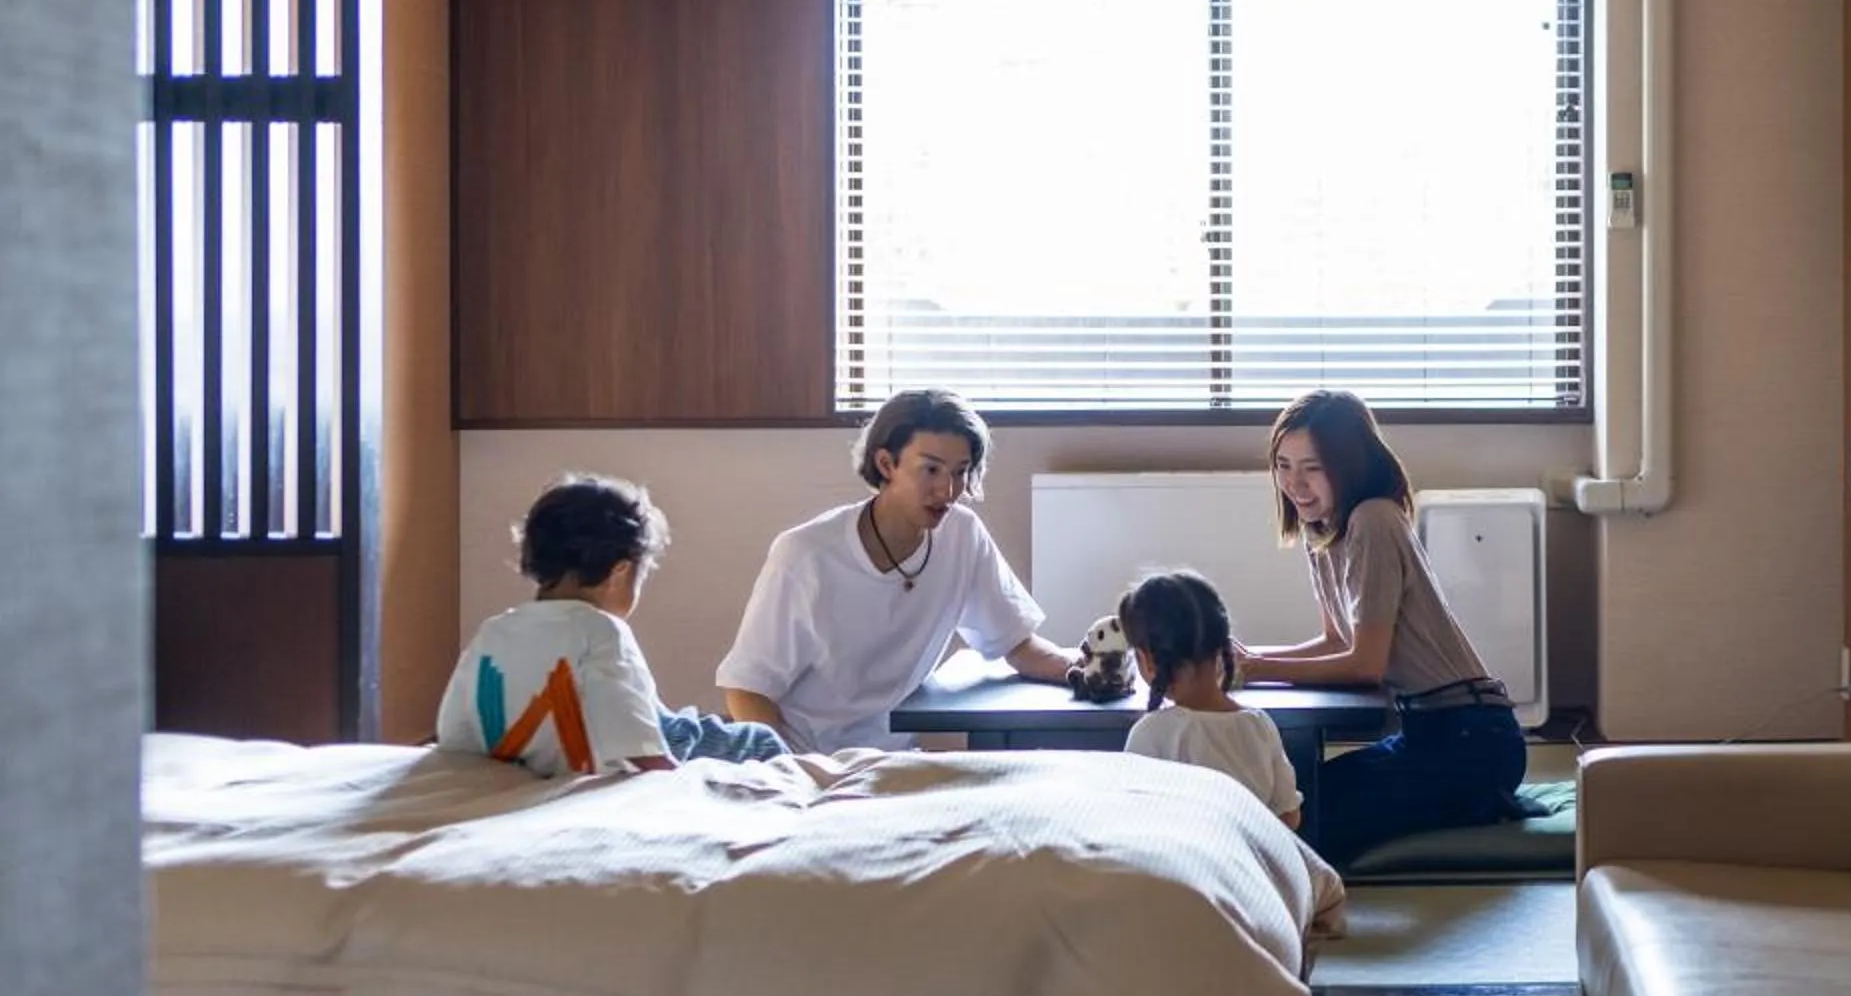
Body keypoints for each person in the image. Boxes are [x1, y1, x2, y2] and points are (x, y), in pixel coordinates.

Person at [1235, 389, 1525, 865]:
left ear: (1348, 464)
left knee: (1309, 824)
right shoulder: (1322, 530)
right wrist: (1248, 659)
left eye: (1312, 467)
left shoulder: (1373, 519)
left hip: (1474, 739)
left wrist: (1257, 667)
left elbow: (1364, 664)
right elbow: (1336, 641)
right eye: (1283, 465)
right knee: (1293, 797)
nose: (1295, 484)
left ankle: (1479, 801)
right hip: (1424, 734)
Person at [716, 389, 1077, 753]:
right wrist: (794, 770)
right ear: (887, 464)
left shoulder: (962, 535)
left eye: (960, 472)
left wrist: (1088, 669)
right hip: (805, 758)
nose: (948, 490)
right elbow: (747, 690)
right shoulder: (806, 555)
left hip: (892, 761)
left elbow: (1016, 643)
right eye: (931, 469)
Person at [438, 475, 787, 778]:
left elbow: (453, 734)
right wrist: (677, 783)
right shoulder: (601, 632)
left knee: (690, 721)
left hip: (542, 750)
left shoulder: (492, 631)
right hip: (647, 733)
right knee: (758, 740)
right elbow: (642, 744)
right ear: (621, 572)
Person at [1116, 570, 1301, 828]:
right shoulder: (1259, 726)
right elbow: (1290, 816)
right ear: (1221, 647)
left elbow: (1132, 820)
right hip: (1249, 865)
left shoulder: (1151, 735)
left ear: (1146, 660)